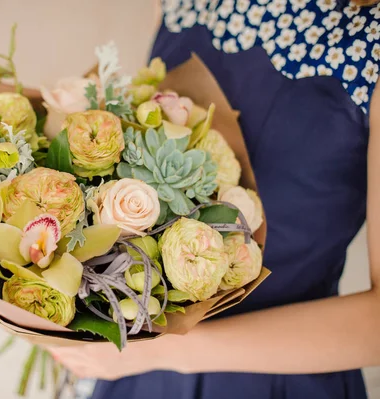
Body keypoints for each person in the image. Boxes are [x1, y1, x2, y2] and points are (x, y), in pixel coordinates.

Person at [50, 0, 380, 398]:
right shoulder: (179, 3)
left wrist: (161, 352)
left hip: (283, 379)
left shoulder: (369, 41)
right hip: (137, 368)